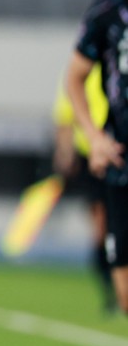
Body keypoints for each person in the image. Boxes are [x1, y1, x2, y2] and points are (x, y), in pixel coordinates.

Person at [66, 0, 128, 316]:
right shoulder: (110, 9)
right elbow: (74, 78)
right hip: (120, 160)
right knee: (125, 294)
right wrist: (94, 138)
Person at [52, 66, 115, 313]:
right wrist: (65, 153)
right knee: (101, 228)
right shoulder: (80, 70)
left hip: (119, 155)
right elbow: (65, 116)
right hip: (92, 160)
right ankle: (109, 288)